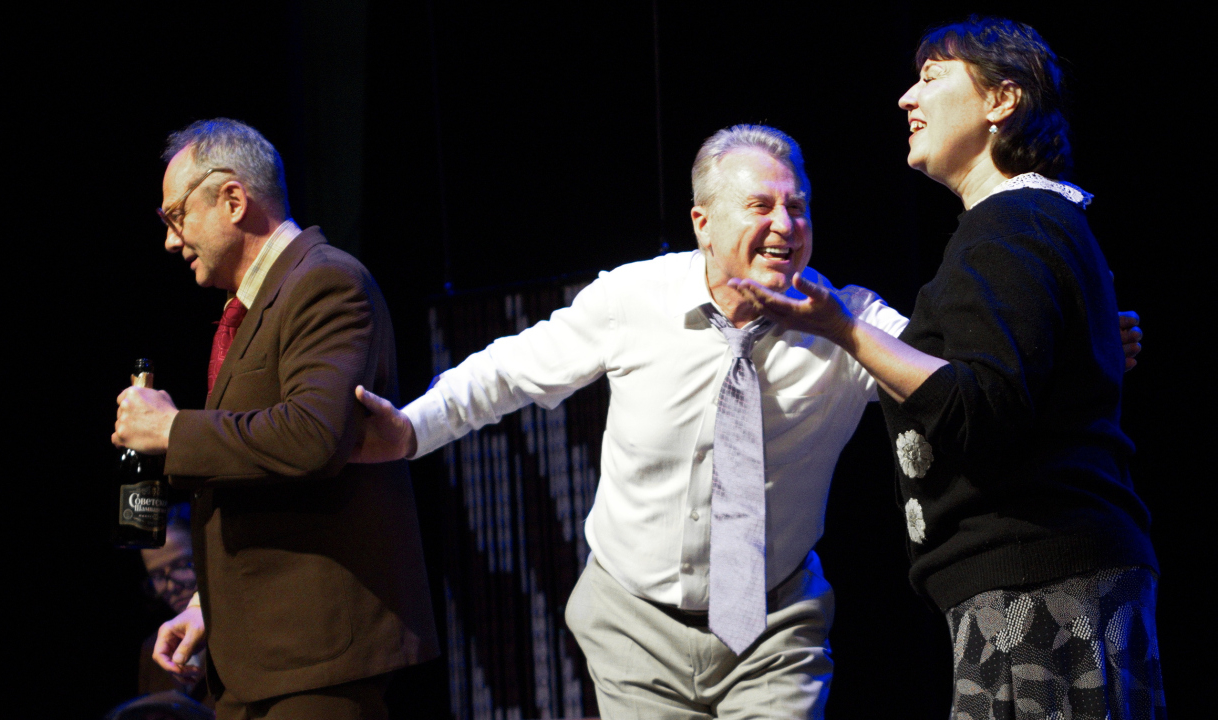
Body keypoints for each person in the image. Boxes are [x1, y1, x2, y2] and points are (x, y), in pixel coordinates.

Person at [351, 122, 1136, 717]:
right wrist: (411, 430)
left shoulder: (848, 322)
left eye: (798, 206)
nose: (785, 224)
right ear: (703, 223)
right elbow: (505, 373)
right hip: (631, 623)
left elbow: (965, 378)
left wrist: (1083, 341)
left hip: (775, 624)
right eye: (761, 205)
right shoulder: (633, 299)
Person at [733, 17, 1163, 719]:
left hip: (1040, 587)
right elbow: (1012, 372)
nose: (908, 96)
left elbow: (978, 406)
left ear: (1002, 100)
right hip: (1048, 580)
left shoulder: (1011, 222)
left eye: (932, 77)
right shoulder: (1030, 221)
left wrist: (840, 328)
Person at [112, 118, 438, 720]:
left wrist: (171, 429)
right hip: (258, 659)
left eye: (176, 216)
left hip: (318, 656)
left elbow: (310, 437)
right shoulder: (253, 305)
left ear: (233, 200)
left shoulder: (326, 281)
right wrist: (207, 607)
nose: (171, 241)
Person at [138, 504, 208, 700]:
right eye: (158, 575)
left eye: (182, 566)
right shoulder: (152, 648)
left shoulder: (238, 629)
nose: (171, 586)